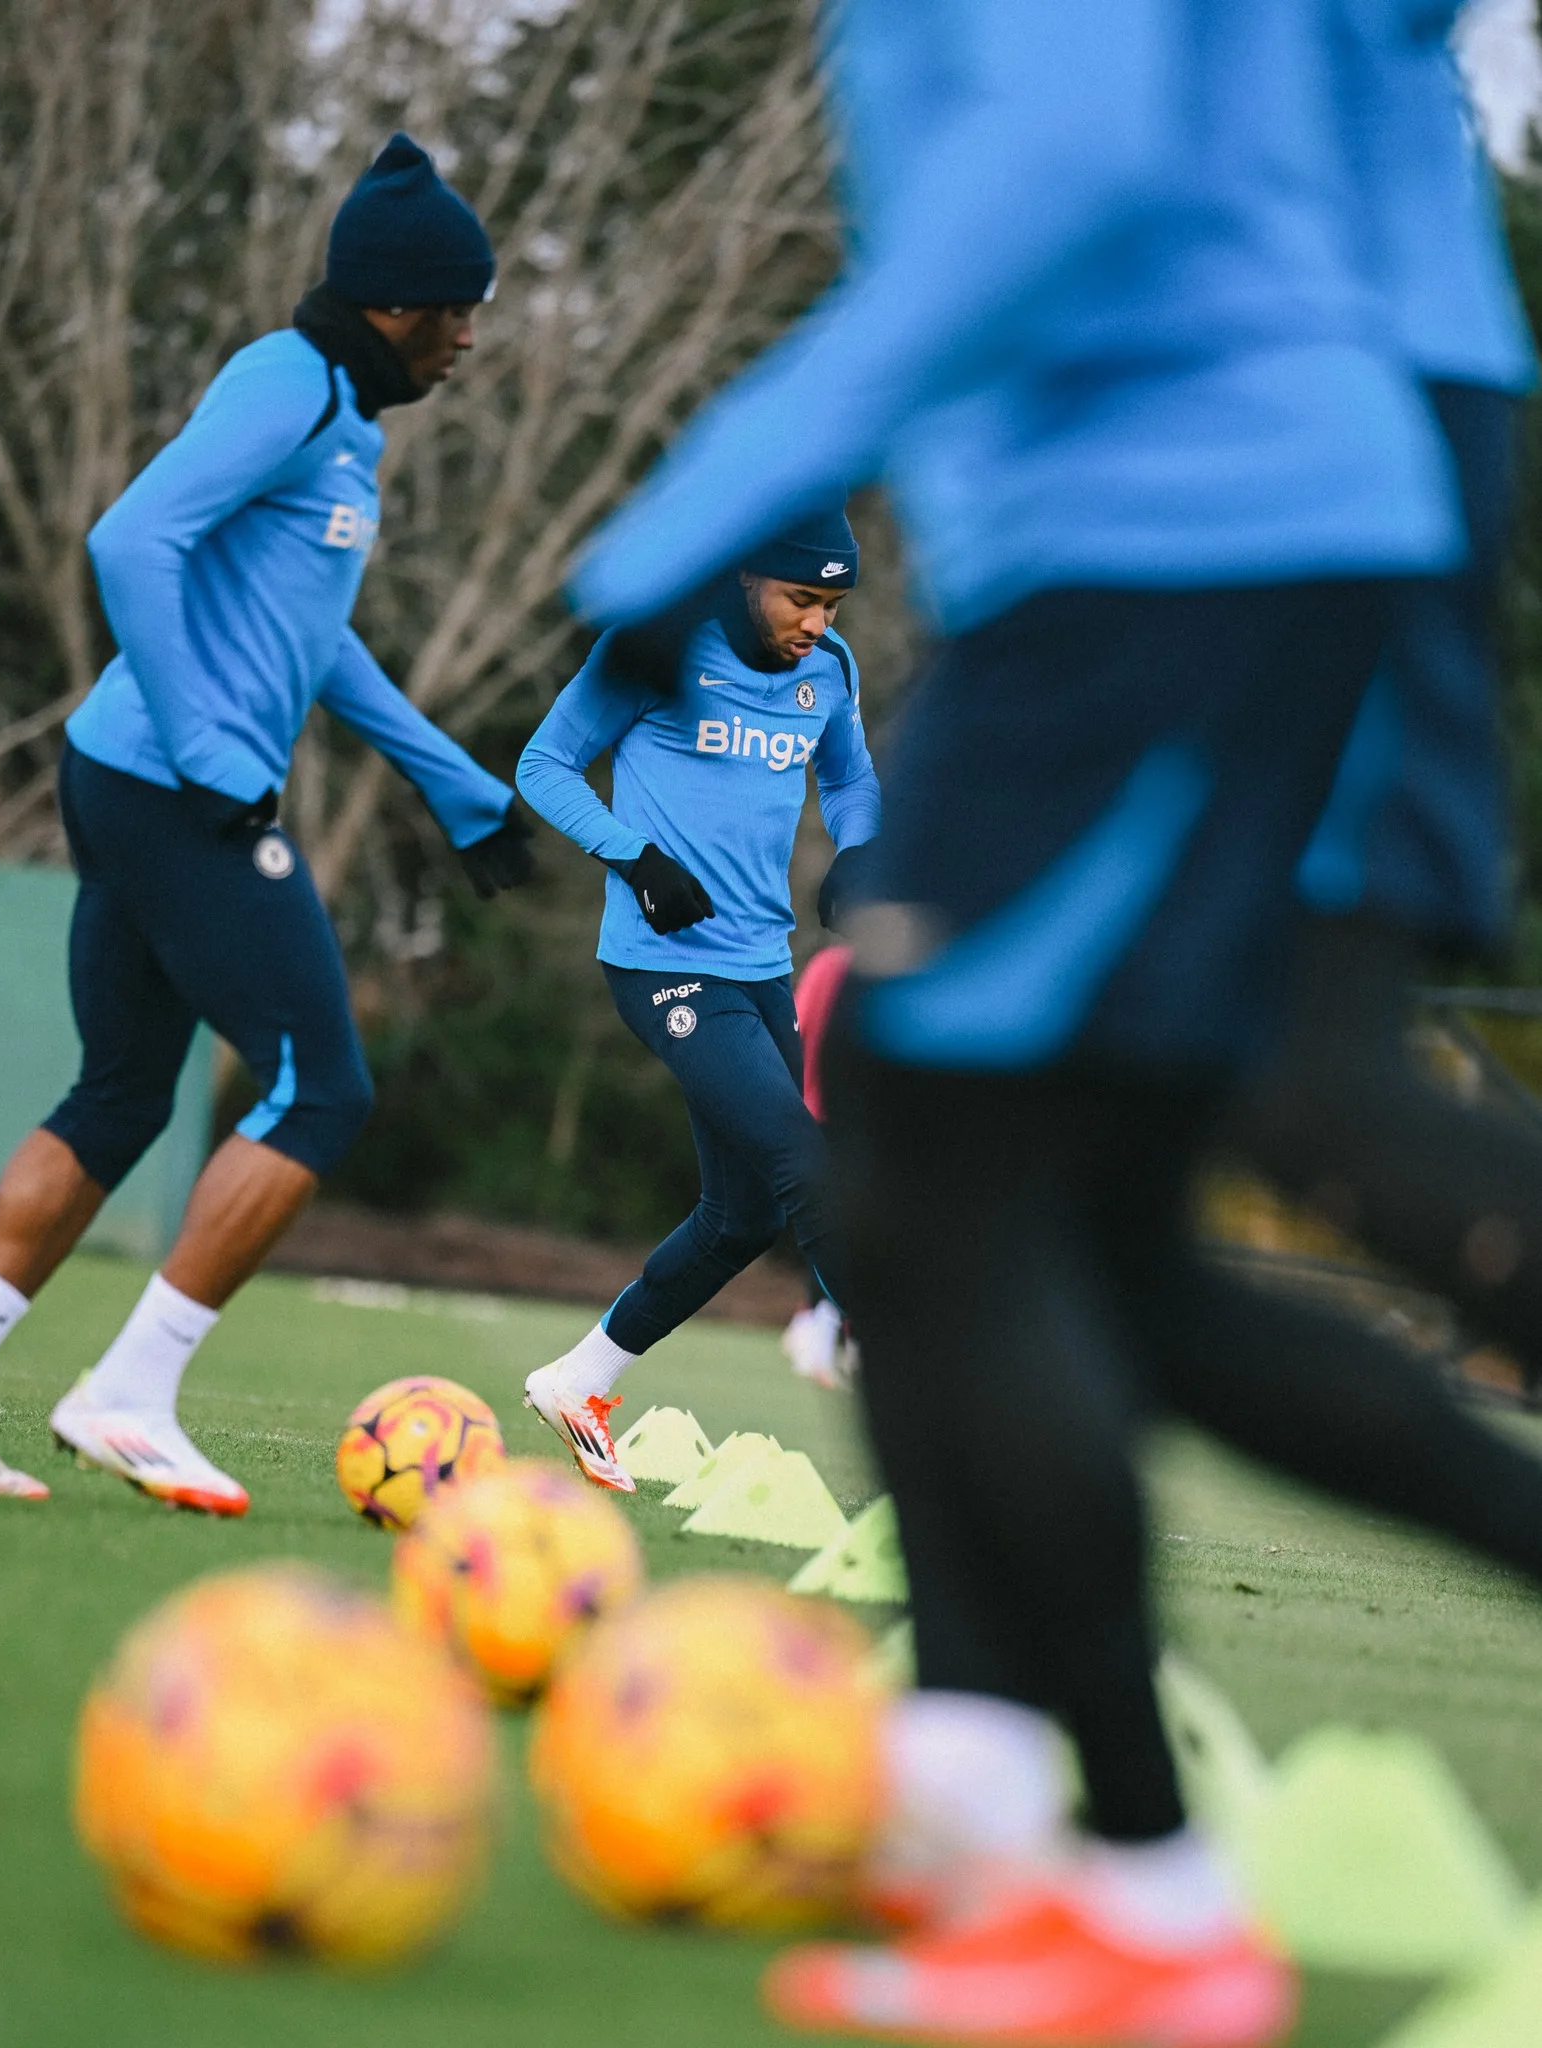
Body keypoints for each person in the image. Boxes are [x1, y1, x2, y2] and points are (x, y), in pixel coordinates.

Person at [561, 4, 1526, 2041]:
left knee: (951, 1164)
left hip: (1189, 527)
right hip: (1171, 525)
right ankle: (1036, 1838)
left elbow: (1068, 162)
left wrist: (704, 504)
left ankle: (1099, 1865)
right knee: (1088, 1244)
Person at [0, 134, 534, 1515]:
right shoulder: (288, 384)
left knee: (122, 1093)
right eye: (458, 308)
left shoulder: (345, 426)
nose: (471, 338)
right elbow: (131, 538)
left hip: (141, 781)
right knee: (324, 1085)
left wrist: (457, 784)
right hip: (167, 788)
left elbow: (321, 645)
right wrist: (205, 753)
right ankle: (126, 1396)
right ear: (392, 305)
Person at [514, 509, 879, 1490]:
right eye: (803, 597)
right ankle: (925, 1395)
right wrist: (632, 858)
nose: (816, 619)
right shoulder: (663, 647)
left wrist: (859, 851)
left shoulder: (829, 667)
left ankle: (579, 1378)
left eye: (832, 603)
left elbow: (849, 781)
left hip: (763, 964)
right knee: (808, 1160)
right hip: (662, 964)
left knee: (745, 1208)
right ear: (748, 574)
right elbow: (543, 763)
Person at [780, 942, 855, 1389]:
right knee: (837, 1227)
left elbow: (795, 1025)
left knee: (831, 1225)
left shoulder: (828, 962)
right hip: (836, 1116)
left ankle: (815, 1327)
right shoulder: (850, 966)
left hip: (817, 1113)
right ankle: (818, 1330)